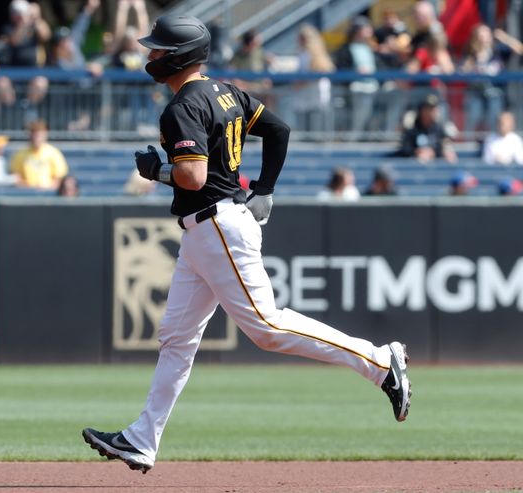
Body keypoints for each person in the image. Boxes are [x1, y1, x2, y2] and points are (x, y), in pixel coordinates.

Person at [81, 15, 412, 474]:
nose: (150, 55)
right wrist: (266, 188)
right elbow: (278, 130)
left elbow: (193, 176)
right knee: (176, 339)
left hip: (216, 223)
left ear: (178, 56)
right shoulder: (226, 91)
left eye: (157, 49)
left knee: (266, 328)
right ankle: (142, 439)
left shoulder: (182, 107)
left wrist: (154, 171)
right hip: (209, 228)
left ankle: (379, 361)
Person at [9, 120, 69, 190]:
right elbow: (16, 178)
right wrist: (29, 187)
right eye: (34, 134)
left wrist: (46, 188)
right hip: (27, 193)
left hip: (49, 194)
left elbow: (59, 178)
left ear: (45, 134)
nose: (37, 138)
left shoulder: (54, 153)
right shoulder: (20, 154)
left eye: (39, 135)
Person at [398, 95, 458, 163]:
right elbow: (405, 149)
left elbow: (444, 147)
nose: (433, 112)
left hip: (436, 168)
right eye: (429, 109)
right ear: (422, 110)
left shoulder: (440, 130)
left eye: (434, 108)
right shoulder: (412, 129)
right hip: (414, 168)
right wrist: (417, 152)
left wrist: (434, 152)